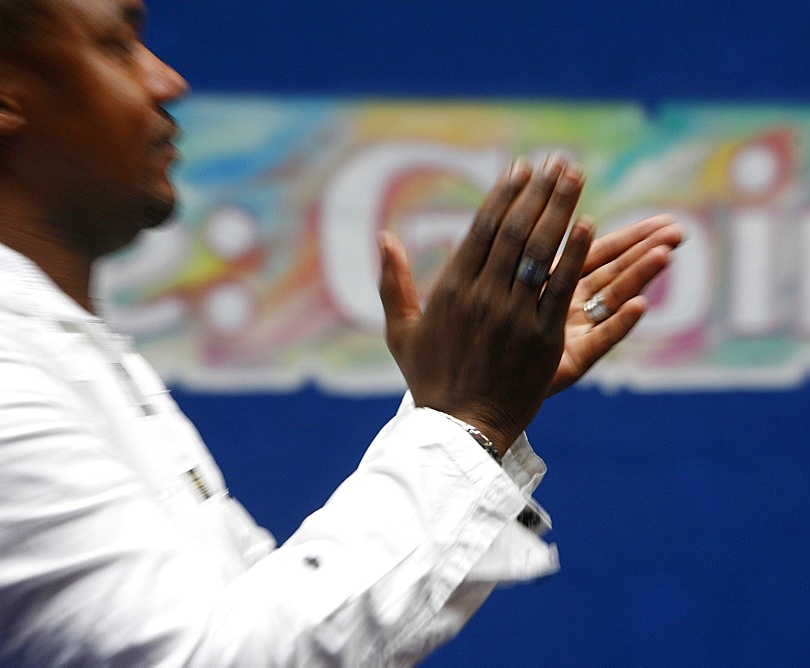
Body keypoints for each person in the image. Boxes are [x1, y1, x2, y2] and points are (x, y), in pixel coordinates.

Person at [0, 0, 683, 665]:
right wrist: (467, 420)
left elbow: (257, 618)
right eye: (118, 46)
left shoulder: (62, 346)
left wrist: (463, 414)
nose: (166, 79)